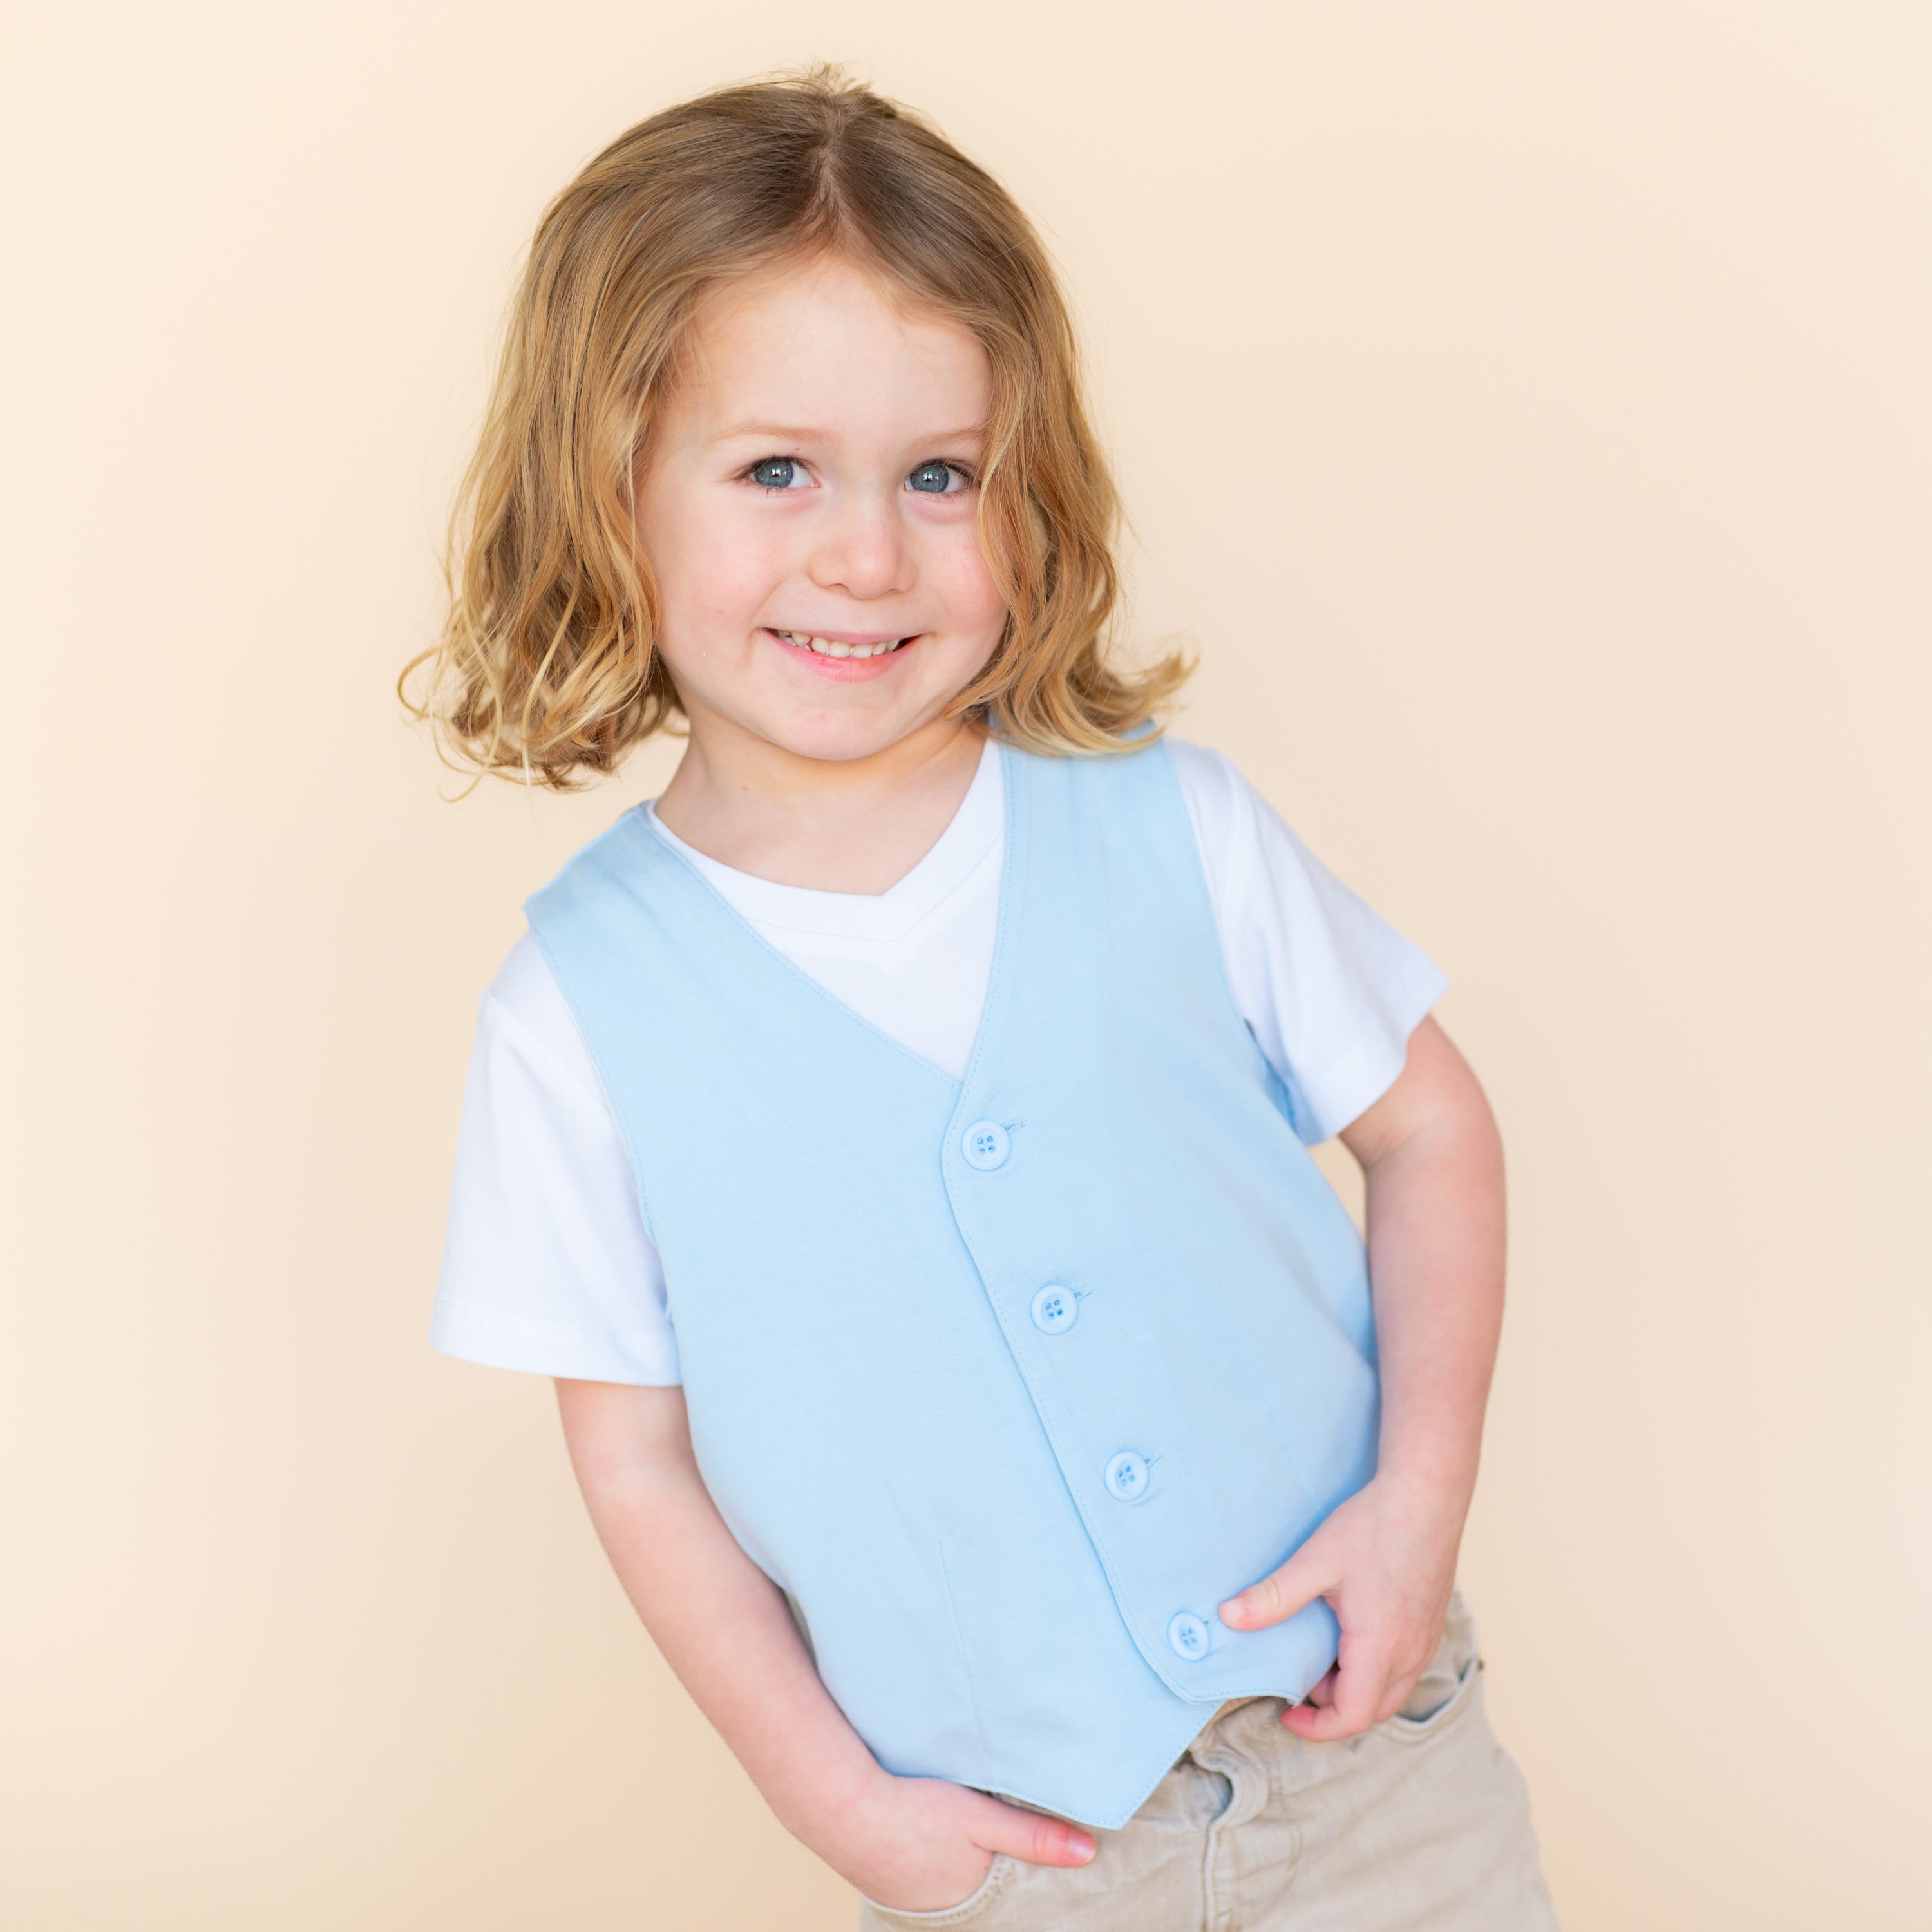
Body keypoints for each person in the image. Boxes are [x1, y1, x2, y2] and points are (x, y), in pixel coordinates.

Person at [412, 69, 1558, 1930]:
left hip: (1382, 1768)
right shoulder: (577, 1010)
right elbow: (634, 1458)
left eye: (941, 475)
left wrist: (1417, 1504)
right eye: (776, 468)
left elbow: (1433, 1127)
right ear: (608, 488)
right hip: (1017, 1858)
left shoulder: (1173, 829)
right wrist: (838, 1807)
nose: (867, 555)